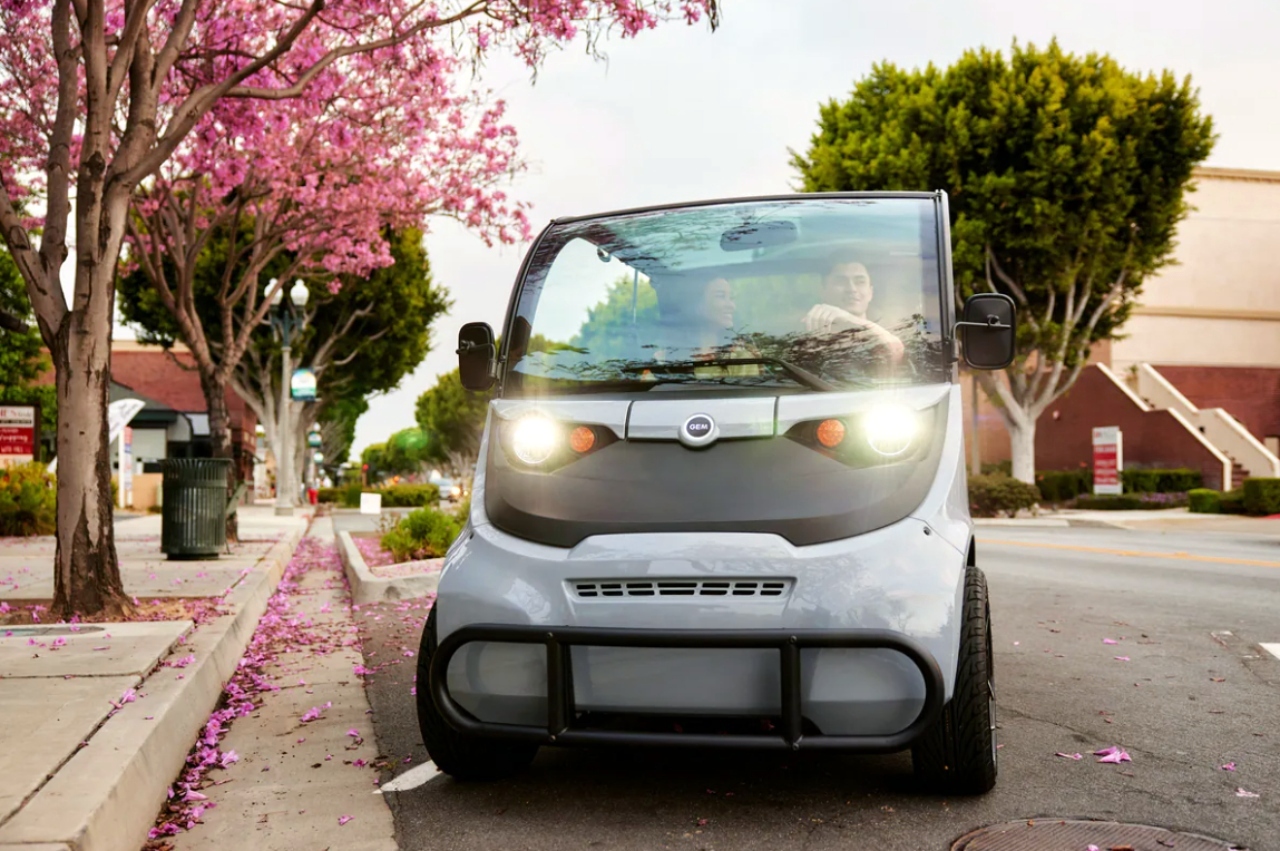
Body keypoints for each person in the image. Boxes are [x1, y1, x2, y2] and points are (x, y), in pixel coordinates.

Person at [803, 255, 905, 365]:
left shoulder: (898, 331)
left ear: (870, 292)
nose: (852, 289)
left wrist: (850, 320)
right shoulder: (808, 336)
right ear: (823, 291)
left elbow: (894, 351)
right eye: (841, 281)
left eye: (860, 282)